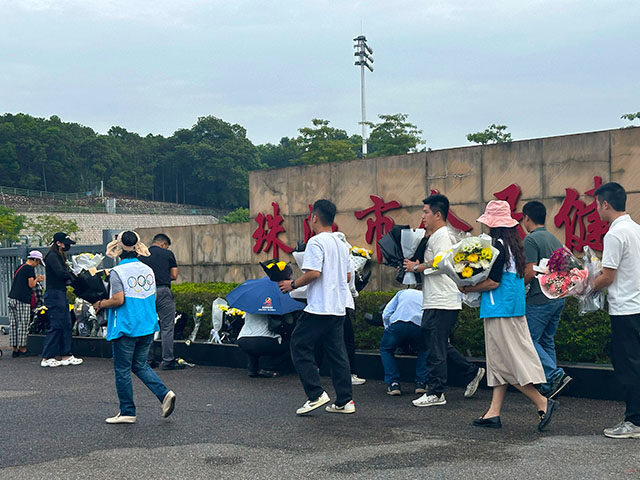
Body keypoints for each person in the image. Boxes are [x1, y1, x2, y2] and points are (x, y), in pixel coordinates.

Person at [462, 200, 557, 431]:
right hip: (513, 307)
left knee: (505, 363)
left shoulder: (496, 247)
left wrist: (466, 287)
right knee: (496, 362)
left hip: (499, 309)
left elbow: (493, 281)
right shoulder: (515, 245)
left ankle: (542, 401)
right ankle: (493, 412)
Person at [403, 194, 485, 407]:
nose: (423, 216)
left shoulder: (443, 235)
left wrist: (417, 267)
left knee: (435, 347)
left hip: (443, 299)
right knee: (436, 343)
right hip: (436, 299)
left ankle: (436, 392)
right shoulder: (437, 235)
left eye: (426, 212)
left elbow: (441, 264)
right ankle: (472, 372)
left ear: (437, 214)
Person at [278, 199, 354, 415]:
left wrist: (291, 284)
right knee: (338, 354)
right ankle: (345, 401)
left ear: (314, 218)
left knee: (299, 345)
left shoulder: (316, 242)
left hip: (320, 307)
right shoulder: (341, 243)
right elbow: (347, 275)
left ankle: (315, 394)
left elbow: (313, 273)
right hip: (338, 307)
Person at [93, 230, 176, 424]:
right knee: (139, 365)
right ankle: (164, 394)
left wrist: (100, 304)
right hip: (147, 325)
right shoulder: (147, 270)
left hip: (126, 325)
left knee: (122, 369)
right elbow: (153, 296)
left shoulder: (117, 272)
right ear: (138, 247)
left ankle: (127, 411)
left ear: (119, 249)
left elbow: (118, 299)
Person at [592, 182, 640, 439]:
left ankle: (634, 422)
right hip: (638, 306)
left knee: (628, 366)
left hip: (625, 309)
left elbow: (607, 276)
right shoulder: (636, 229)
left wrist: (587, 287)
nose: (597, 209)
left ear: (606, 204)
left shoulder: (614, 234)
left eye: (597, 204)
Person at [522, 201, 572, 398]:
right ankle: (552, 385)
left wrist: (518, 289)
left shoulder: (531, 240)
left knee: (528, 339)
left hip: (539, 298)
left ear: (527, 217)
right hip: (558, 296)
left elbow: (529, 270)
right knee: (546, 340)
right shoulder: (554, 239)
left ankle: (554, 375)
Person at [139, 233, 183, 370]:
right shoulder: (168, 254)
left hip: (146, 293)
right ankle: (168, 360)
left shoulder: (141, 256)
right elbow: (174, 275)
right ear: (164, 244)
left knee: (148, 326)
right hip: (163, 291)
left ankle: (148, 360)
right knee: (167, 327)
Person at [40, 232, 83, 368]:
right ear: (58, 243)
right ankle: (47, 357)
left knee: (66, 324)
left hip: (60, 293)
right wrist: (72, 274)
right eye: (66, 242)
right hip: (54, 294)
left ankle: (66, 355)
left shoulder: (59, 255)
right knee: (57, 325)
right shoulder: (52, 256)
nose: (67, 245)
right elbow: (60, 273)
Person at [380, 287, 427, 395]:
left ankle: (393, 384)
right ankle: (421, 383)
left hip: (398, 324)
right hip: (419, 326)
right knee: (424, 349)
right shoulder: (427, 295)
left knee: (386, 349)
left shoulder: (402, 292)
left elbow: (386, 313)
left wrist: (387, 328)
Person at [8, 250, 45, 357]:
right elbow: (31, 284)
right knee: (23, 324)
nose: (37, 264)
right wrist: (37, 279)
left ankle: (15, 349)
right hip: (22, 299)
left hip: (12, 298)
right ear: (34, 260)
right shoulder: (29, 268)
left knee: (13, 324)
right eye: (37, 262)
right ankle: (23, 349)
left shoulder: (20, 267)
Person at [237, 313, 290, 377]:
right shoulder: (272, 308)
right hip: (263, 339)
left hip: (243, 339)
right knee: (290, 347)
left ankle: (252, 369)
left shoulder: (251, 307)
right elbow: (289, 321)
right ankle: (268, 368)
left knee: (252, 348)